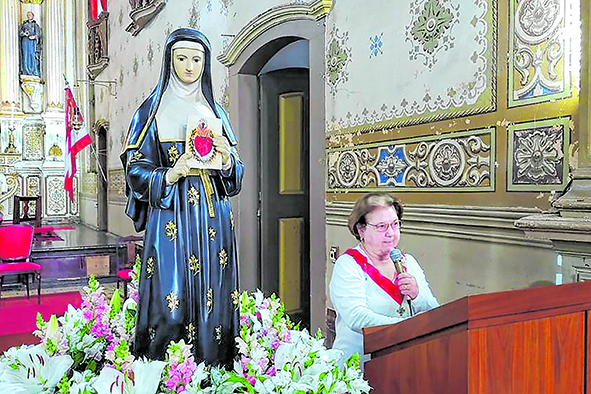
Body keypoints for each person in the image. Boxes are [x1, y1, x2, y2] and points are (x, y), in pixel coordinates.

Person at [120, 28, 244, 367]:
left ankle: (215, 369)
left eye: (197, 59)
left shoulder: (215, 110)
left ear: (205, 64)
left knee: (214, 295)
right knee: (169, 298)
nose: (190, 66)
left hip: (212, 217)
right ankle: (168, 374)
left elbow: (235, 176)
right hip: (171, 214)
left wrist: (229, 159)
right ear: (169, 61)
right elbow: (134, 167)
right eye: (182, 58)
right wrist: (169, 174)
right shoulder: (151, 110)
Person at [329, 193, 438, 367]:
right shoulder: (348, 265)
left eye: (395, 224)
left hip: (404, 364)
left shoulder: (408, 262)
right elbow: (357, 318)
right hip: (358, 367)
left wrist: (417, 295)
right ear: (361, 229)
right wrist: (407, 327)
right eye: (381, 226)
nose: (391, 233)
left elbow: (434, 312)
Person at [19, 11, 42, 76]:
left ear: (33, 16)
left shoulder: (35, 25)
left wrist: (34, 37)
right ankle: (25, 70)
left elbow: (38, 34)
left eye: (30, 15)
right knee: (25, 55)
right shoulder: (24, 24)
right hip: (25, 41)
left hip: (32, 42)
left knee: (32, 55)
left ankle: (33, 70)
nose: (29, 16)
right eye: (28, 15)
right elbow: (20, 33)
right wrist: (24, 34)